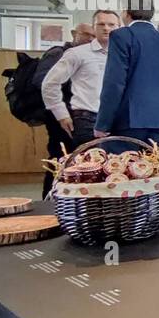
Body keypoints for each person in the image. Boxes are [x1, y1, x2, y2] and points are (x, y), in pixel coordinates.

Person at [94, 5, 159, 151]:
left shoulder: (121, 36)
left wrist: (103, 124)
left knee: (122, 170)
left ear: (126, 13)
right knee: (156, 171)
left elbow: (114, 83)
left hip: (129, 120)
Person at [42, 11, 118, 150]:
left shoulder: (125, 55)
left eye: (111, 24)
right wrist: (61, 114)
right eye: (101, 24)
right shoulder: (78, 53)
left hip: (118, 121)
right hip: (87, 119)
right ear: (94, 27)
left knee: (117, 168)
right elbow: (50, 83)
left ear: (119, 28)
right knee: (88, 168)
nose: (106, 28)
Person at [39, 22, 95, 195]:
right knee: (59, 159)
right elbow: (42, 82)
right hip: (59, 117)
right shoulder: (58, 54)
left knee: (78, 161)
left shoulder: (91, 55)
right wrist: (62, 111)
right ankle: (50, 198)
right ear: (73, 33)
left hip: (78, 117)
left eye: (93, 36)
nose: (90, 39)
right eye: (86, 34)